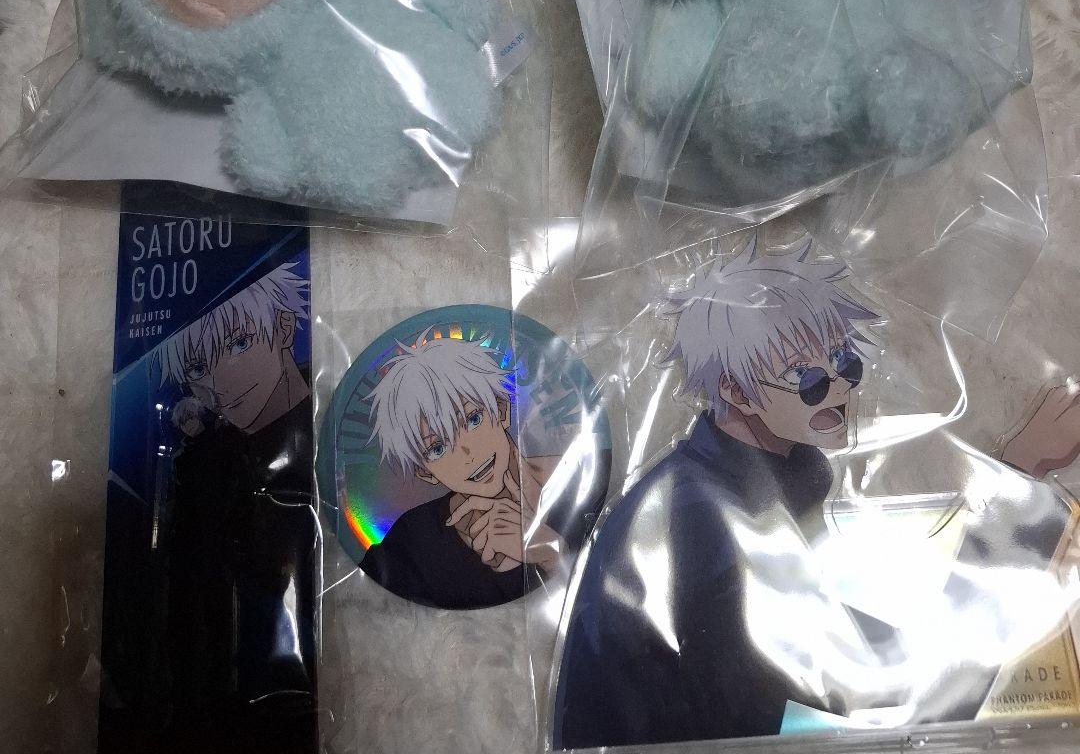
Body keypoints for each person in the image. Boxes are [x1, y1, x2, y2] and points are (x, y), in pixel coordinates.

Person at [553, 236, 1080, 749]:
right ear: (735, 390)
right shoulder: (703, 525)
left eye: (845, 365)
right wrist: (1020, 480)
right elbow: (894, 712)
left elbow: (870, 670)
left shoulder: (744, 492)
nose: (840, 390)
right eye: (808, 380)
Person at [150, 263, 317, 754]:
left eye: (240, 343)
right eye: (198, 369)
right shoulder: (210, 443)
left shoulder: (312, 415)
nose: (220, 381)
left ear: (282, 327)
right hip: (222, 617)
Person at [360, 335, 598, 609]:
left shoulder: (586, 474)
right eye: (437, 448)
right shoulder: (412, 541)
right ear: (425, 472)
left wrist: (553, 553)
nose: (467, 453)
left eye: (473, 419)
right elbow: (363, 608)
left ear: (501, 409)